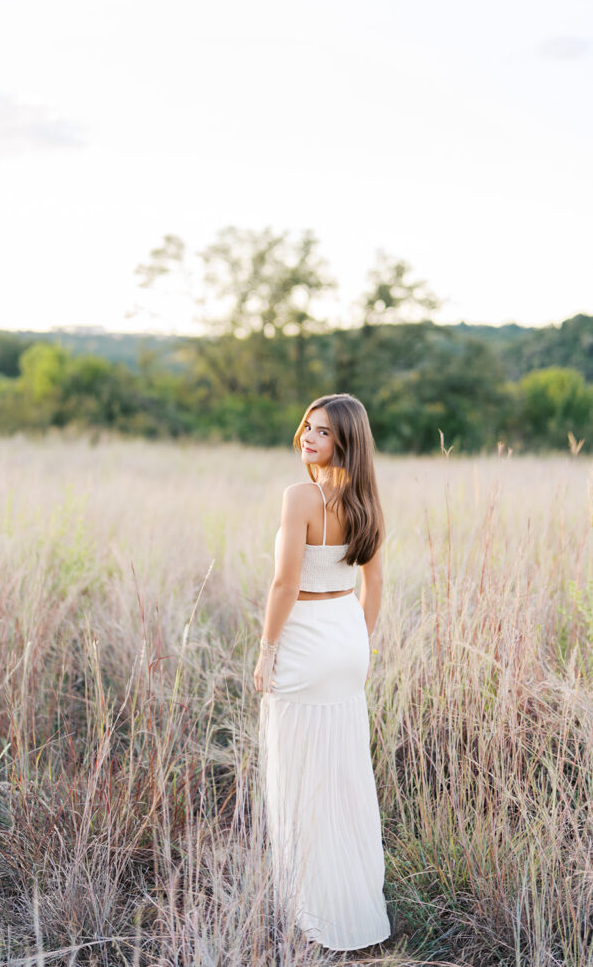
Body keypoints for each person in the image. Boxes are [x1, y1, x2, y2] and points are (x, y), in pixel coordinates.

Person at [255, 392, 391, 952]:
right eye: (308, 427)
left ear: (345, 442)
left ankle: (312, 907)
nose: (309, 438)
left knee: (299, 773)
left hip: (307, 636)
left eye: (324, 432)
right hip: (346, 636)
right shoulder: (368, 502)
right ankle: (355, 902)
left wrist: (267, 649)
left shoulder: (300, 497)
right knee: (343, 773)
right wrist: (355, 643)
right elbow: (374, 587)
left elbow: (285, 584)